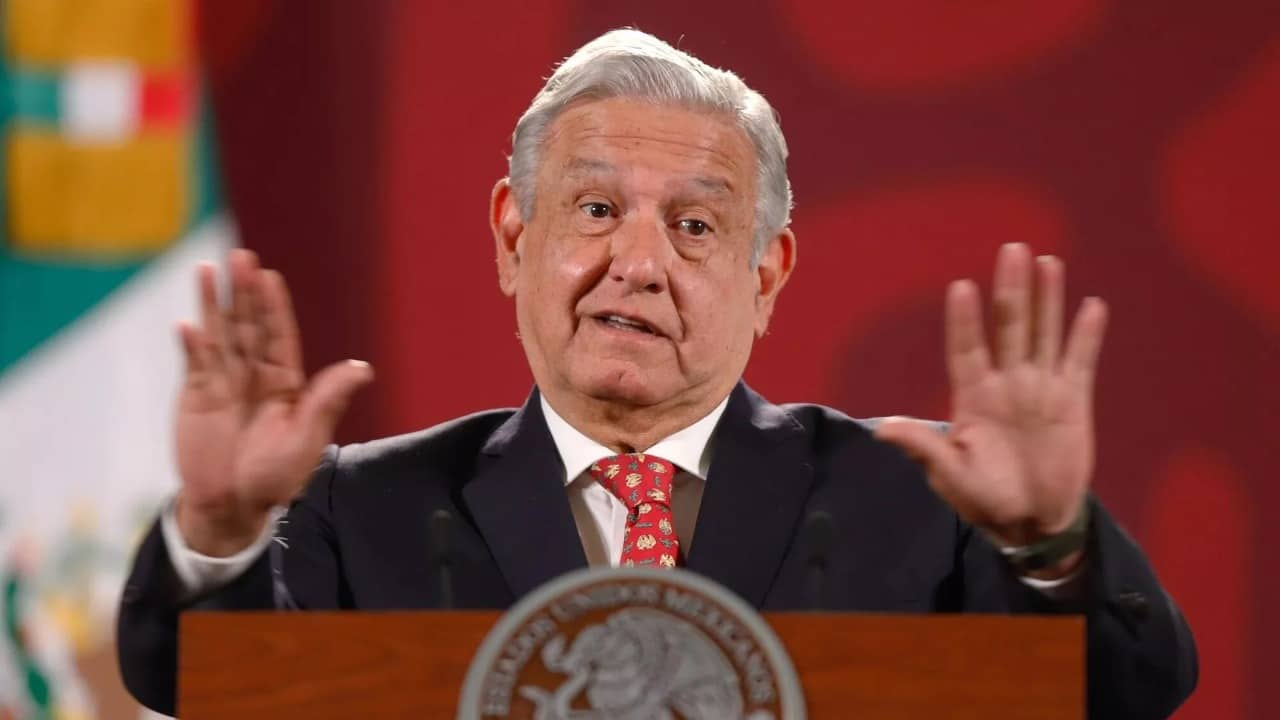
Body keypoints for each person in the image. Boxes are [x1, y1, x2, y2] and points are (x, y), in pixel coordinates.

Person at [116, 29, 1196, 718]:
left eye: (693, 225)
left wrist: (1051, 546)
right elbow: (193, 683)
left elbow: (1135, 687)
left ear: (765, 274)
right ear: (512, 236)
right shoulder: (360, 508)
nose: (636, 263)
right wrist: (217, 534)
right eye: (595, 209)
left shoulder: (919, 497)